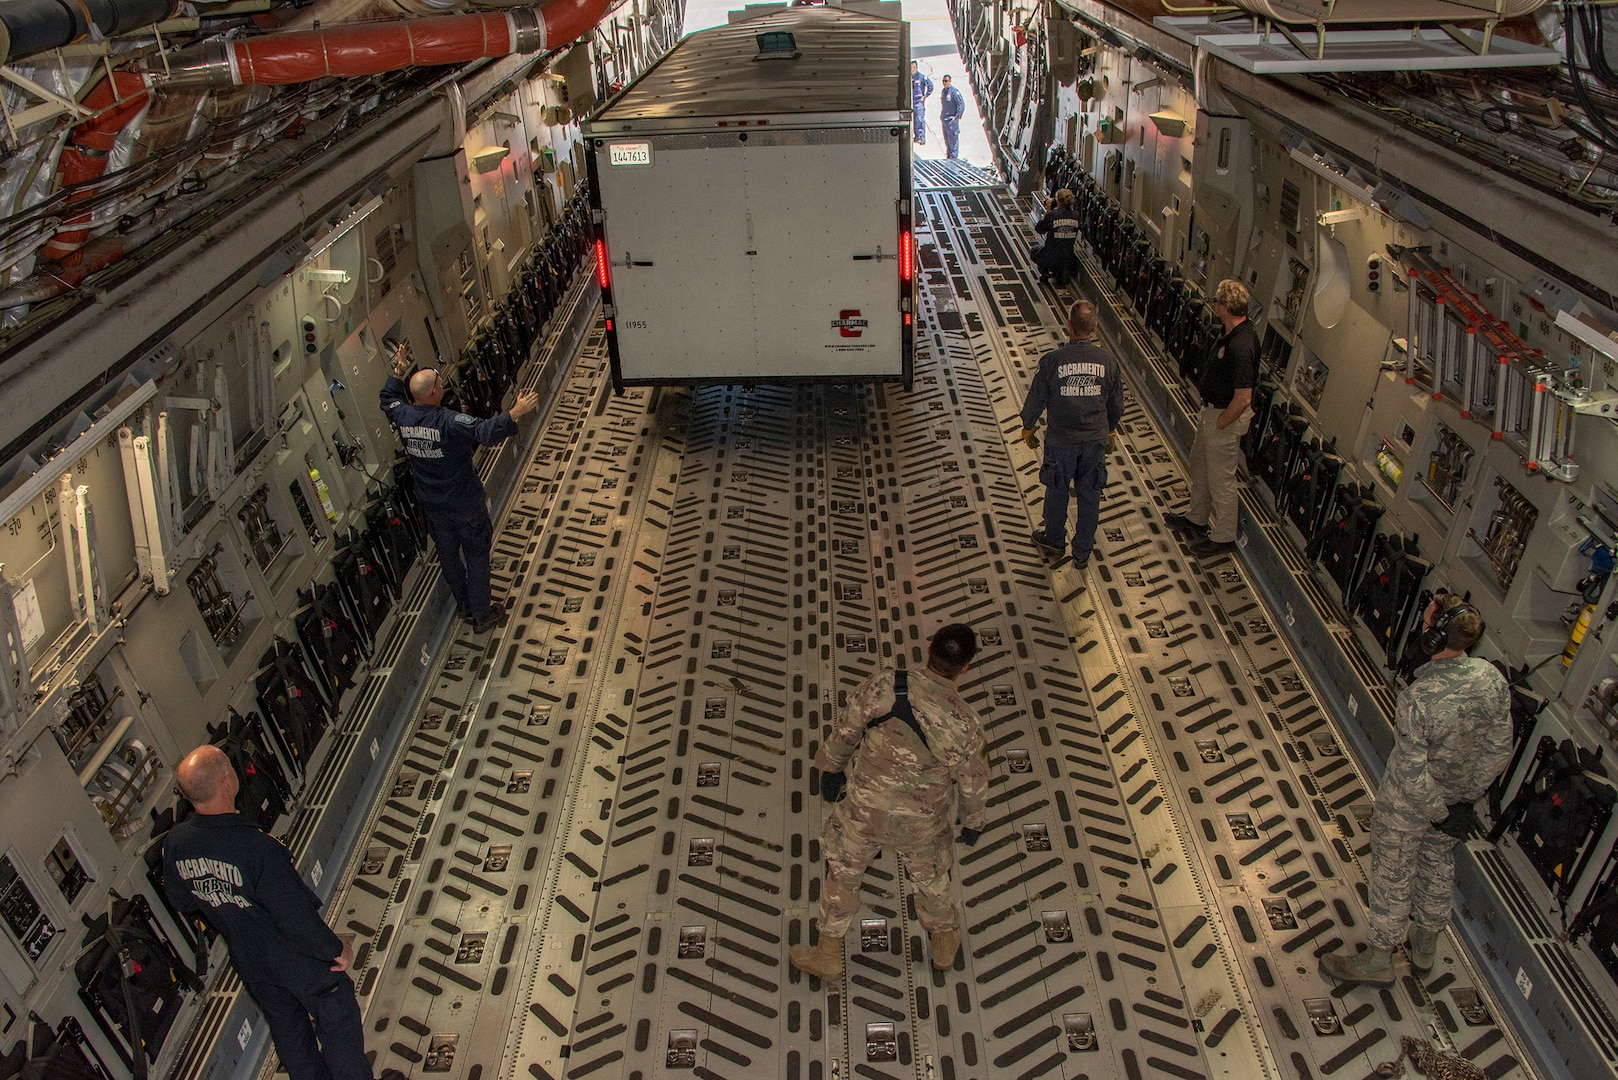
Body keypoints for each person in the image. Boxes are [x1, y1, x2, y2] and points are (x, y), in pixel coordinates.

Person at [162, 746, 402, 1080]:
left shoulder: (177, 842)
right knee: (338, 1026)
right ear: (226, 782)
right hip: (300, 962)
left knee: (292, 1038)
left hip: (252, 962)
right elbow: (295, 919)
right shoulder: (257, 848)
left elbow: (182, 901)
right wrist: (337, 950)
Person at [1319, 595, 1511, 986]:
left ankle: (1378, 959)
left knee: (1394, 873)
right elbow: (1499, 748)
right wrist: (1463, 800)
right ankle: (1424, 948)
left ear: (1435, 637)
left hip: (1411, 807)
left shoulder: (1419, 698)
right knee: (1437, 865)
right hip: (1455, 801)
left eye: (1426, 622)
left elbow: (1410, 771)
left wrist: (1439, 810)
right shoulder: (1492, 679)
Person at [790, 624, 989, 980]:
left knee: (843, 875)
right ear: (966, 668)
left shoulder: (885, 685)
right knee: (931, 880)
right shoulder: (965, 722)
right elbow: (973, 783)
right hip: (921, 821)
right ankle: (944, 946)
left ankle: (827, 956)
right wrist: (972, 822)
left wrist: (832, 768)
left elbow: (847, 729)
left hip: (865, 810)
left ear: (928, 647)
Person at [380, 343, 538, 633]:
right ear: (434, 393)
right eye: (439, 383)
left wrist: (398, 371)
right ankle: (481, 615)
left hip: (433, 505)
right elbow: (485, 432)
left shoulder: (403, 417)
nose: (442, 385)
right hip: (465, 503)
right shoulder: (449, 422)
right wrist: (515, 412)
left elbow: (387, 397)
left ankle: (464, 605)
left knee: (449, 557)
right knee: (476, 555)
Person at [1020, 301, 1122, 568]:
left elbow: (1037, 397)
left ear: (1068, 325)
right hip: (1093, 442)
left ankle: (1054, 539)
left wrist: (1028, 425)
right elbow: (1116, 404)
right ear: (1095, 327)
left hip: (1061, 441)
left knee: (1057, 490)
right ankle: (1082, 552)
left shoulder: (1053, 362)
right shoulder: (1108, 362)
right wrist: (1110, 429)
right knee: (1090, 494)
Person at [1164, 278, 1258, 557]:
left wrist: (1221, 423)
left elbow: (1244, 397)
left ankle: (1223, 537)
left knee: (1221, 480)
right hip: (1212, 413)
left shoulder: (1242, 345)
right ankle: (1197, 516)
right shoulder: (1230, 333)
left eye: (1217, 301)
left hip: (1223, 418)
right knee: (1201, 465)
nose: (1214, 305)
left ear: (1225, 308)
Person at [1032, 189, 1082, 287]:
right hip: (1068, 258)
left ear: (1058, 201)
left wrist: (1048, 211)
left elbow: (1039, 229)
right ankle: (1061, 271)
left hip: (1050, 256)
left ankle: (1044, 270)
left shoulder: (1052, 215)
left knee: (1034, 250)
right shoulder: (1076, 215)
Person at [939, 75, 965, 159]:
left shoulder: (954, 92)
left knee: (953, 141)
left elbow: (961, 105)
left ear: (950, 81)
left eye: (946, 81)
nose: (944, 83)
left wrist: (957, 117)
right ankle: (949, 156)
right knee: (947, 140)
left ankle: (954, 158)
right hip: (945, 120)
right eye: (943, 81)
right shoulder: (943, 91)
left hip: (951, 121)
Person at [911, 61, 934, 145]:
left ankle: (922, 137)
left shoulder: (921, 77)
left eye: (914, 67)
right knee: (914, 120)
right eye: (911, 67)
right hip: (911, 101)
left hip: (918, 102)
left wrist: (925, 96)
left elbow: (930, 86)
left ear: (917, 68)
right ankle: (917, 136)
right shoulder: (909, 77)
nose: (912, 69)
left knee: (920, 119)